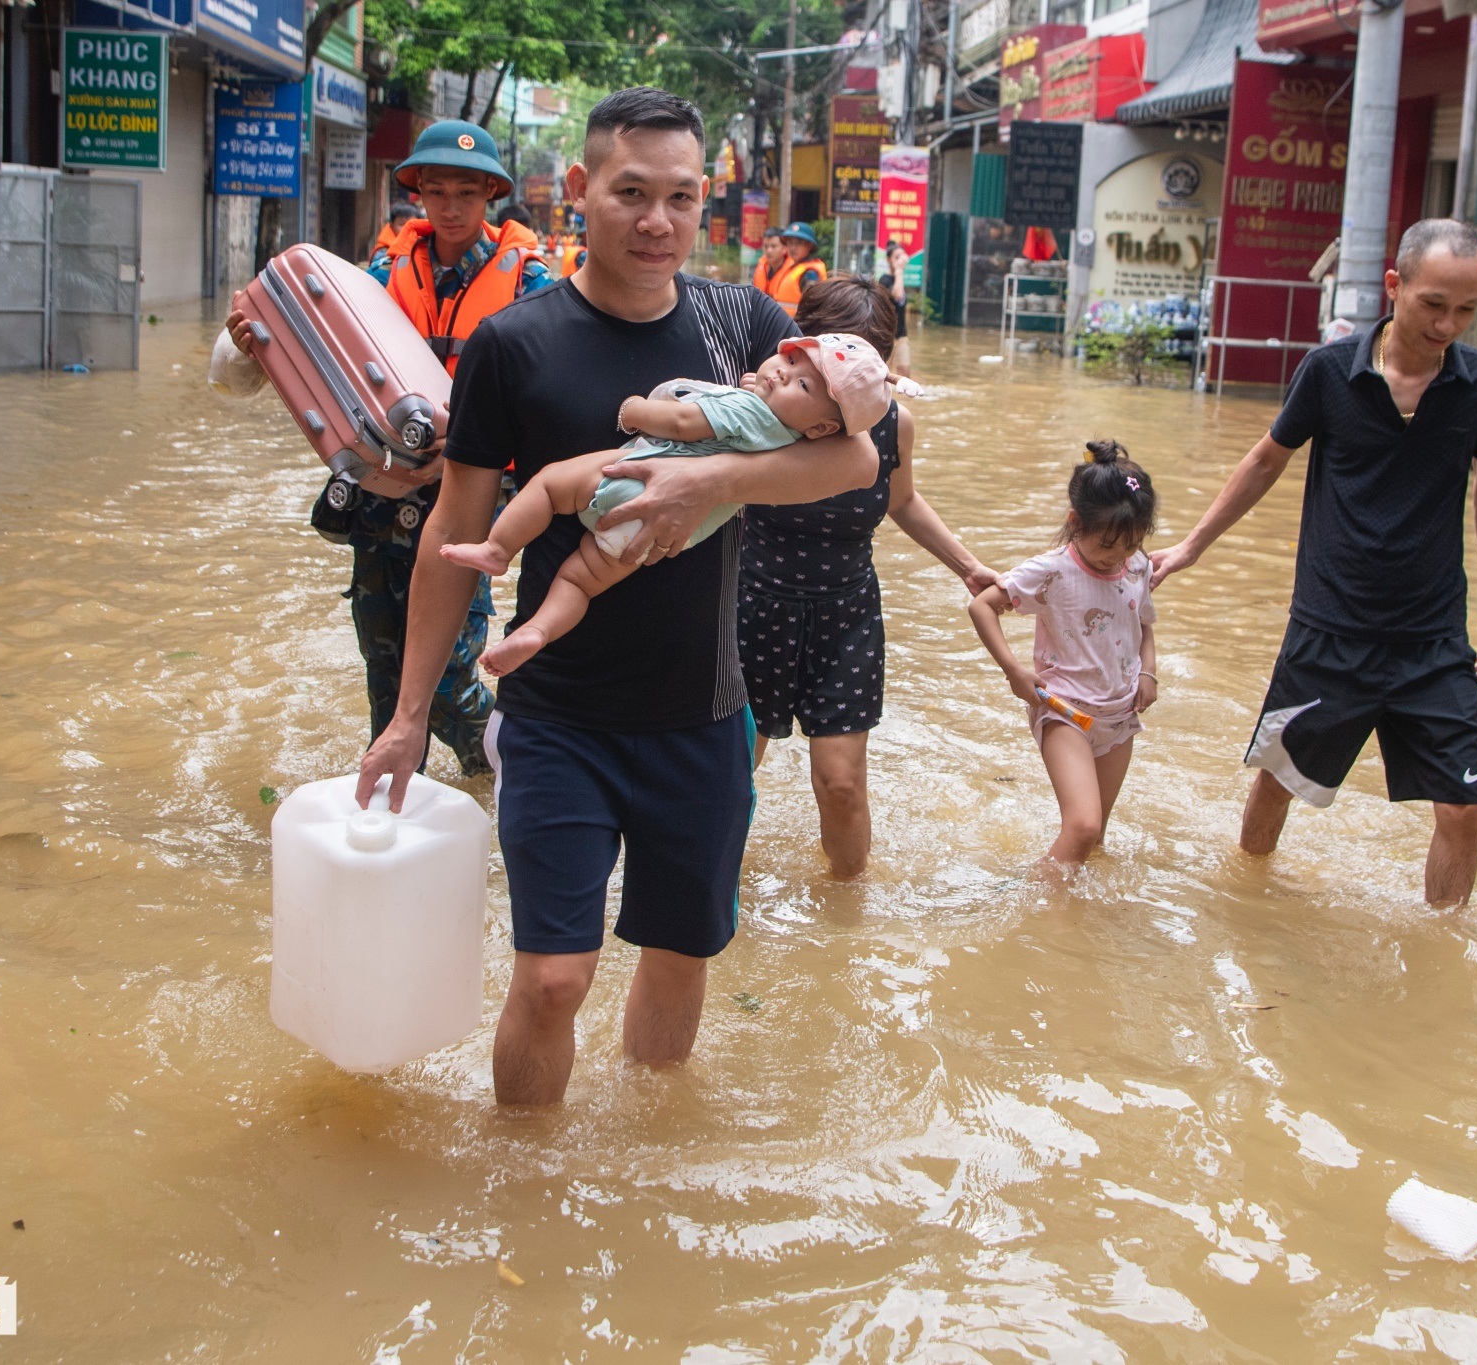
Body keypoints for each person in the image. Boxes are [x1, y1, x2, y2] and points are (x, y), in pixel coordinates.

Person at [356, 87, 877, 1106]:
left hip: (703, 715)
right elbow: (449, 540)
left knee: (678, 963)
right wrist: (408, 718)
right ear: (581, 191)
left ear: (703, 206)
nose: (657, 221)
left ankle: (639, 1169)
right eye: (631, 193)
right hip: (558, 711)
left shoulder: (745, 325)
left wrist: (711, 479)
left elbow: (857, 460)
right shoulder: (517, 342)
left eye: (681, 198)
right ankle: (524, 1191)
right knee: (554, 979)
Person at [1149, 218, 1477, 907]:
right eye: (1434, 303)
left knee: (1467, 808)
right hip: (1331, 625)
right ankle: (1247, 905)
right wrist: (1192, 545)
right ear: (1394, 285)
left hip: (1433, 637)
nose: (1448, 323)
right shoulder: (1328, 372)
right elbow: (1266, 460)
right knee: (1280, 780)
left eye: (1467, 309)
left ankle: (1443, 956)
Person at [224, 119, 552, 775]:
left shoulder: (530, 283)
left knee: (451, 678)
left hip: (467, 497)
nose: (451, 206)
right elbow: (312, 364)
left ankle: (511, 774)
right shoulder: (377, 273)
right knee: (384, 665)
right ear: (419, 195)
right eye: (437, 191)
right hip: (382, 495)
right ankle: (398, 804)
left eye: (466, 191)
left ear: (490, 193)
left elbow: (550, 391)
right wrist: (254, 340)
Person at [441, 332, 897, 676]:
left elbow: (682, 421)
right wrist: (766, 392)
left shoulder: (747, 410)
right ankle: (537, 632)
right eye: (790, 357)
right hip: (650, 534)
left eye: (802, 384)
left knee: (546, 486)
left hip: (631, 479)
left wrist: (635, 410)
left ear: (821, 429)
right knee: (579, 580)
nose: (781, 371)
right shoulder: (788, 436)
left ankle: (497, 550)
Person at [738, 275, 997, 877]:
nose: (842, 373)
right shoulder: (764, 405)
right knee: (729, 769)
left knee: (842, 782)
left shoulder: (892, 423)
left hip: (845, 613)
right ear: (799, 342)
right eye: (828, 353)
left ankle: (846, 921)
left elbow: (903, 502)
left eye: (860, 359)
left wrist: (969, 567)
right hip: (755, 603)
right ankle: (707, 897)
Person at [968, 443, 1160, 868]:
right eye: (1109, 545)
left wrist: (1149, 671)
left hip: (1120, 715)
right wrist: (1013, 670)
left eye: (1132, 543)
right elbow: (981, 605)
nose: (1118, 557)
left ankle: (1075, 925)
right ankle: (1031, 910)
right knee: (1083, 827)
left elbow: (1144, 621)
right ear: (1075, 523)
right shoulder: (1052, 571)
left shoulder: (1137, 565)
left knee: (1094, 840)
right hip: (1064, 711)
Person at [765, 221, 827, 316]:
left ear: (809, 246)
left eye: (798, 243)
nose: (793, 248)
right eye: (790, 243)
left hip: (797, 328)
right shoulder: (792, 268)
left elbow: (813, 308)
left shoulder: (810, 273)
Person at [878, 242, 913, 378]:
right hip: (887, 335)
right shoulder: (884, 280)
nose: (899, 261)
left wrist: (900, 273)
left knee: (905, 373)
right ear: (888, 260)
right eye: (896, 257)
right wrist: (899, 271)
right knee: (884, 374)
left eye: (901, 257)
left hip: (901, 334)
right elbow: (897, 294)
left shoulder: (900, 278)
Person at [368, 199, 417, 273]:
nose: (407, 229)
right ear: (391, 225)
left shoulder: (421, 245)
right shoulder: (382, 252)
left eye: (411, 224)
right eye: (402, 224)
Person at [749, 227, 787, 295]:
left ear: (784, 248)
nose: (769, 251)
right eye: (766, 246)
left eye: (774, 246)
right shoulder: (759, 268)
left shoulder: (794, 271)